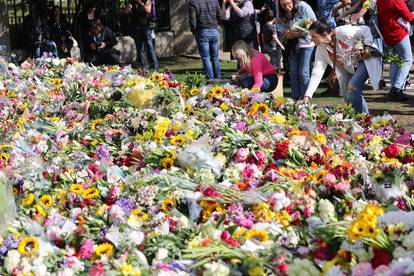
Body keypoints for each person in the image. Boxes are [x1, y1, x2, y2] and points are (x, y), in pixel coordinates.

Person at [303, 21, 382, 113]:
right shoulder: (321, 48)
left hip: (366, 60)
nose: (311, 40)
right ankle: (361, 119)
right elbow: (317, 72)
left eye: (314, 36)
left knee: (352, 86)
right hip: (350, 68)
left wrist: (367, 46)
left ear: (324, 35)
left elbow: (365, 30)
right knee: (350, 97)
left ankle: (364, 120)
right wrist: (307, 95)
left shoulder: (343, 32)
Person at [277, 0, 317, 100]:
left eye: (288, 3)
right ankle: (294, 98)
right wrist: (285, 31)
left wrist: (299, 32)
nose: (286, 7)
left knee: (303, 72)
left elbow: (313, 21)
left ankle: (305, 99)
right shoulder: (280, 10)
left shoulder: (303, 6)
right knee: (293, 71)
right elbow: (278, 24)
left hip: (307, 43)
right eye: (283, 5)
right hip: (292, 44)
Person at [378, 0, 414, 101]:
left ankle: (395, 89)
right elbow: (409, 17)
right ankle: (397, 88)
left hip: (387, 33)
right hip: (398, 33)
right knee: (407, 60)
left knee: (395, 61)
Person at [189, 0, 222, 80]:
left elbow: (192, 20)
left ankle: (210, 79)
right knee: (215, 57)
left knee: (206, 58)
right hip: (214, 30)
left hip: (202, 31)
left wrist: (195, 32)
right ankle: (218, 79)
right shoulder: (215, 1)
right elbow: (220, 16)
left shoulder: (193, 2)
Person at [123, 0, 159, 71]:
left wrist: (140, 3)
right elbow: (125, 12)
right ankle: (144, 67)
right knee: (140, 49)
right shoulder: (132, 2)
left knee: (150, 47)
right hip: (136, 28)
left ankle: (155, 66)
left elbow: (148, 10)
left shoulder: (147, 1)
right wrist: (128, 6)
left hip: (145, 27)